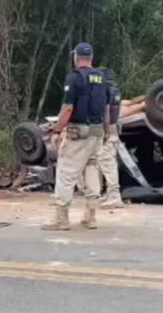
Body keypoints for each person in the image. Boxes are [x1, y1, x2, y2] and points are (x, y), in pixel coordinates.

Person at [43, 42, 109, 231]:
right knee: (91, 170)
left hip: (79, 132)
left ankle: (61, 218)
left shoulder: (75, 78)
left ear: (76, 57)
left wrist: (57, 131)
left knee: (65, 171)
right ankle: (91, 216)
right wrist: (105, 132)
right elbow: (106, 109)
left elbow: (68, 108)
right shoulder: (102, 77)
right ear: (91, 58)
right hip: (97, 132)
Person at [97, 67, 124, 209]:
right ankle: (109, 193)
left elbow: (105, 113)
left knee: (107, 162)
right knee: (107, 162)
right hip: (114, 128)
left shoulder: (104, 91)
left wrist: (104, 133)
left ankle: (114, 195)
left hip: (107, 129)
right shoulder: (115, 91)